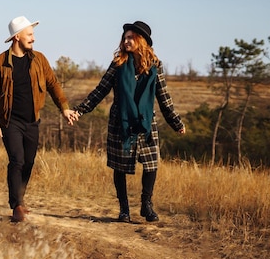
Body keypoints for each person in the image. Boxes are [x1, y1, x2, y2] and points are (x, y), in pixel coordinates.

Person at [72, 21, 185, 223]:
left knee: (151, 164)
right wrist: (80, 110)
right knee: (119, 166)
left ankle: (146, 205)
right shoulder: (118, 64)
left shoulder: (155, 66)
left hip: (145, 122)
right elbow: (101, 90)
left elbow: (163, 96)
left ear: (141, 41)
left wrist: (175, 122)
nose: (126, 41)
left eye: (131, 37)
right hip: (121, 121)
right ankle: (124, 210)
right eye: (125, 38)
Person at [0, 15, 77, 222]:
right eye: (29, 34)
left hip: (32, 120)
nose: (33, 38)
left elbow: (53, 84)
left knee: (29, 162)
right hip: (10, 122)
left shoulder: (39, 60)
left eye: (33, 34)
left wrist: (64, 108)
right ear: (17, 37)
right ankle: (16, 205)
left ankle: (20, 198)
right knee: (16, 160)